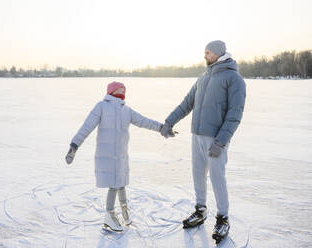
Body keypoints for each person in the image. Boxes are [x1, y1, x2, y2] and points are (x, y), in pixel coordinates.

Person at [160, 40, 246, 243]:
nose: (204, 56)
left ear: (218, 54)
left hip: (216, 139)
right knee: (198, 175)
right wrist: (168, 122)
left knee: (217, 178)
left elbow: (235, 114)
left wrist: (221, 141)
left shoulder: (234, 79)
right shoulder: (203, 78)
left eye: (208, 53)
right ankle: (200, 210)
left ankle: (223, 218)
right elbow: (186, 104)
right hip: (197, 136)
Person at [65, 81, 163, 232]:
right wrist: (74, 145)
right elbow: (87, 126)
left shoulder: (126, 110)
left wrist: (161, 128)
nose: (121, 92)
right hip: (107, 155)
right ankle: (109, 215)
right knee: (114, 185)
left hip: (121, 155)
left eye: (123, 90)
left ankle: (124, 211)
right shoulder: (102, 106)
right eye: (119, 90)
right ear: (111, 91)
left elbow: (144, 121)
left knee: (121, 183)